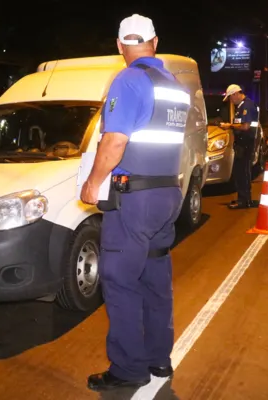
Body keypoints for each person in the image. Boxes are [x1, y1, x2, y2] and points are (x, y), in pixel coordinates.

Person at [79, 14, 190, 392]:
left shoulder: (128, 80)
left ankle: (128, 369)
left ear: (119, 45)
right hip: (167, 195)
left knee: (120, 280)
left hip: (135, 200)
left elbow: (115, 142)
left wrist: (94, 182)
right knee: (156, 278)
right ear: (155, 42)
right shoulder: (174, 85)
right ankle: (159, 359)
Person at [220, 84, 260, 209]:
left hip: (245, 142)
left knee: (243, 172)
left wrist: (229, 126)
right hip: (242, 143)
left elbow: (245, 126)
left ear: (235, 94)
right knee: (241, 172)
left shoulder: (246, 105)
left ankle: (244, 200)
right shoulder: (241, 106)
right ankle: (244, 199)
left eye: (231, 98)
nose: (231, 101)